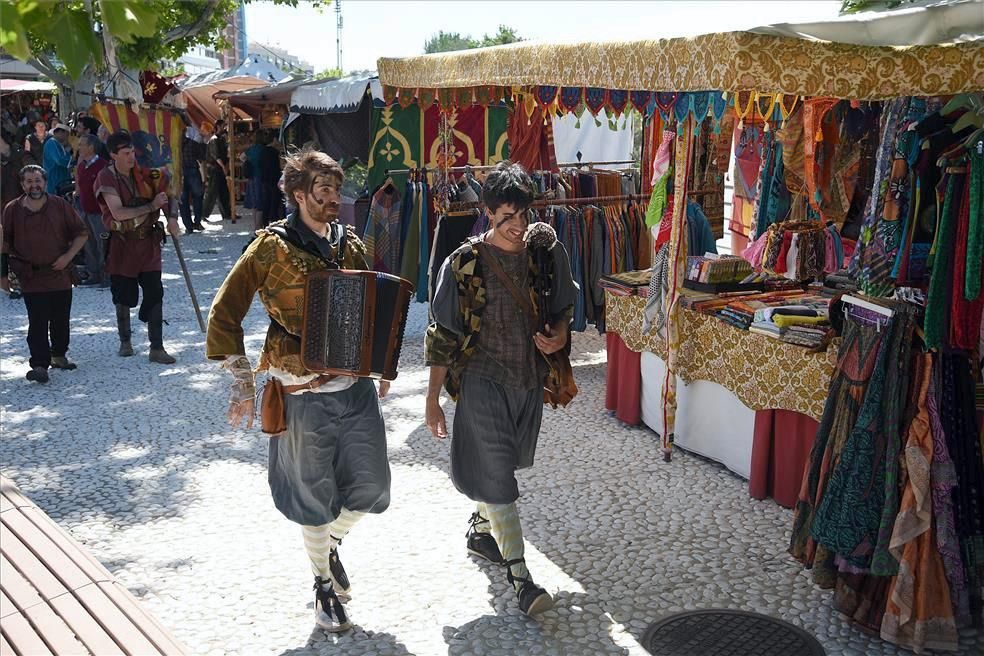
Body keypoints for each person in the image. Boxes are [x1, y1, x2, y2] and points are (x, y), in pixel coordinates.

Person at [206, 149, 391, 633]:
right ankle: (323, 588)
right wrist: (244, 382)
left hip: (354, 387)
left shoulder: (349, 243)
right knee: (315, 496)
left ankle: (327, 549)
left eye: (336, 190)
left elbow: (369, 304)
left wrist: (382, 361)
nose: (334, 199)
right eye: (323, 191)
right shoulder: (270, 248)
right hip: (301, 391)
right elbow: (224, 313)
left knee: (372, 487)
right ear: (298, 194)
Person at [425, 161, 577, 617]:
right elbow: (443, 335)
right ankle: (521, 579)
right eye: (505, 216)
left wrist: (562, 335)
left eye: (522, 215)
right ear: (487, 213)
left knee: (503, 463)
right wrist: (432, 399)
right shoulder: (464, 263)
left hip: (528, 379)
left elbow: (565, 305)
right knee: (498, 475)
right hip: (481, 379)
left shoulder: (546, 254)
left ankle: (479, 528)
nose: (516, 226)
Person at [94, 130, 180, 364]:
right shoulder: (106, 177)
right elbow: (118, 213)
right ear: (113, 155)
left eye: (132, 152)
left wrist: (172, 217)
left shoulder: (145, 171)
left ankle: (157, 347)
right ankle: (125, 341)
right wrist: (151, 205)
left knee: (155, 292)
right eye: (126, 153)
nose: (131, 157)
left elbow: (169, 191)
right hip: (122, 245)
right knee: (124, 296)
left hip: (149, 243)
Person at [1, 165, 88, 384]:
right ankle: (40, 364)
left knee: (60, 320)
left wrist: (67, 258)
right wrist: (2, 274)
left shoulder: (59, 205)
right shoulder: (12, 209)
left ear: (45, 182)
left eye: (37, 180)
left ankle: (58, 354)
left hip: (60, 274)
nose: (34, 185)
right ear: (23, 185)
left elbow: (81, 234)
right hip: (31, 276)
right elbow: (4, 244)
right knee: (37, 321)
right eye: (29, 181)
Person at [75, 134, 110, 286]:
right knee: (88, 244)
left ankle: (107, 275)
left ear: (91, 147)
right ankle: (93, 274)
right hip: (84, 210)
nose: (79, 147)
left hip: (99, 212)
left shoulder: (103, 165)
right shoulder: (82, 166)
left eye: (82, 144)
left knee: (103, 243)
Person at [201, 119, 232, 222]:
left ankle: (227, 213)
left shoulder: (221, 139)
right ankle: (203, 214)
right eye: (223, 126)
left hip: (219, 168)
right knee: (211, 192)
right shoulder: (214, 140)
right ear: (218, 126)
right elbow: (216, 156)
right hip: (215, 169)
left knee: (224, 192)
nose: (224, 128)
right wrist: (223, 167)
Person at [179, 126, 206, 234]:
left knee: (183, 201)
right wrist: (205, 177)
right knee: (198, 197)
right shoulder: (193, 144)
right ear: (185, 131)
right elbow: (202, 160)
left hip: (179, 173)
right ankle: (197, 222)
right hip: (193, 171)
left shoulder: (173, 145)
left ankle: (188, 226)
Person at [42, 122, 72, 196]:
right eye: (66, 134)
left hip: (61, 180)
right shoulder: (51, 143)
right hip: (55, 180)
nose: (67, 137)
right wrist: (71, 161)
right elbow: (60, 160)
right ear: (60, 132)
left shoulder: (58, 144)